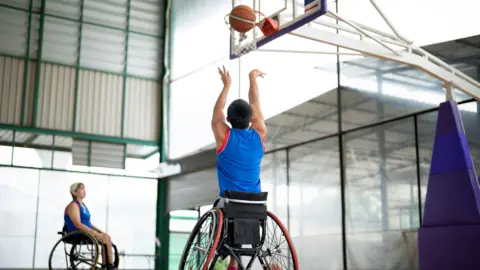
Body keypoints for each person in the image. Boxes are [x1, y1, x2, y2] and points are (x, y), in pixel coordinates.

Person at [211, 66, 267, 270]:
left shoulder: (223, 136)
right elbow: (256, 102)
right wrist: (253, 78)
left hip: (228, 204)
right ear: (251, 119)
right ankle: (235, 263)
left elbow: (216, 113)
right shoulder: (259, 133)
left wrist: (227, 85)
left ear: (228, 119)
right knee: (239, 214)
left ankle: (225, 259)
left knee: (221, 210)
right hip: (255, 206)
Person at [64, 182, 117, 270]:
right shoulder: (73, 205)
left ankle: (106, 265)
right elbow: (78, 224)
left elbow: (89, 224)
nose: (84, 190)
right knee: (104, 239)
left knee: (106, 237)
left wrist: (100, 232)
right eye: (81, 188)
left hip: (86, 231)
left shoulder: (83, 206)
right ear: (74, 192)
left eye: (84, 188)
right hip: (77, 233)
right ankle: (110, 266)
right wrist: (95, 233)